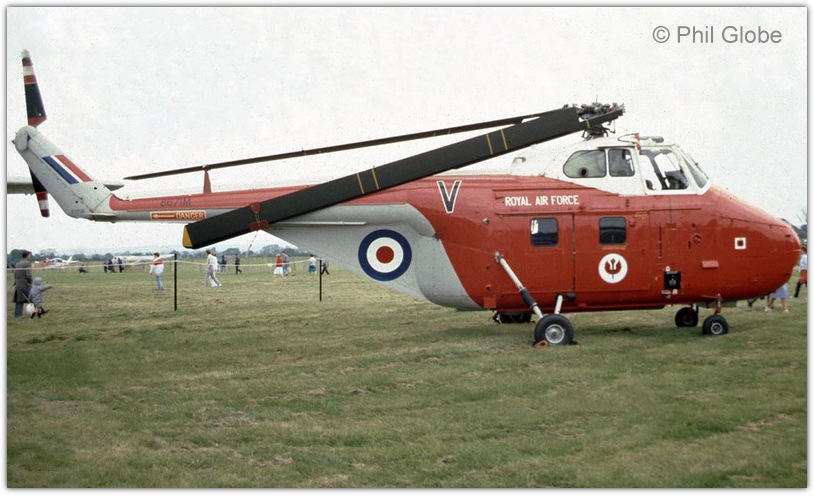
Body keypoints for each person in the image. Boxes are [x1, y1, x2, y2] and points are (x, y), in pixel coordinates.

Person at [12, 250, 33, 317]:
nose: (30, 256)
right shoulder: (28, 263)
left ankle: (17, 315)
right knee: (33, 298)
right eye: (29, 255)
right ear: (27, 256)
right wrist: (31, 282)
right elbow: (28, 275)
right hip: (25, 284)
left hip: (18, 284)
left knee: (19, 300)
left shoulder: (18, 263)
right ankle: (37, 312)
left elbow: (15, 275)